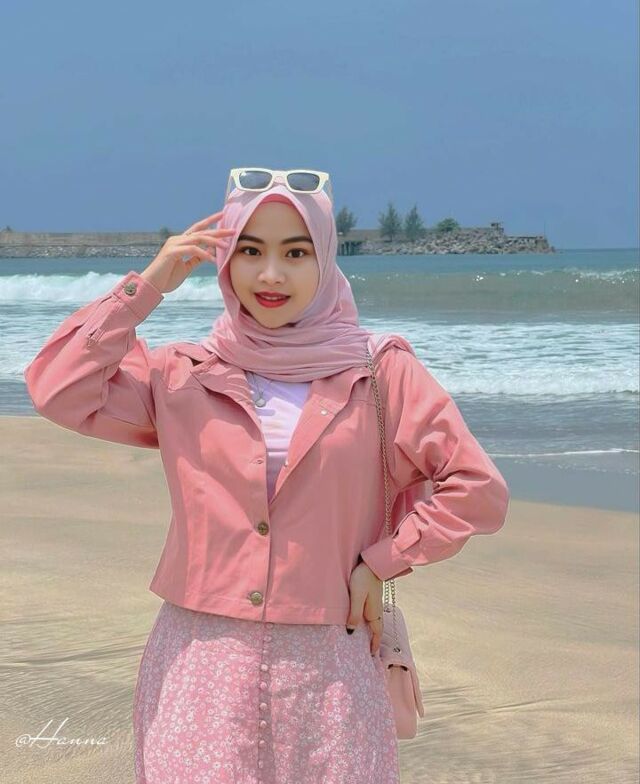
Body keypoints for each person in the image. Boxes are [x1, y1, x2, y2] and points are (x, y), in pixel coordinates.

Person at [23, 167, 510, 783]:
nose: (271, 274)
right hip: (200, 666)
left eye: (296, 253)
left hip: (329, 671)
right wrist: (146, 288)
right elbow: (58, 387)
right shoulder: (183, 373)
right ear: (224, 259)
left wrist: (384, 560)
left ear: (325, 258)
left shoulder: (381, 372)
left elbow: (476, 489)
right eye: (250, 251)